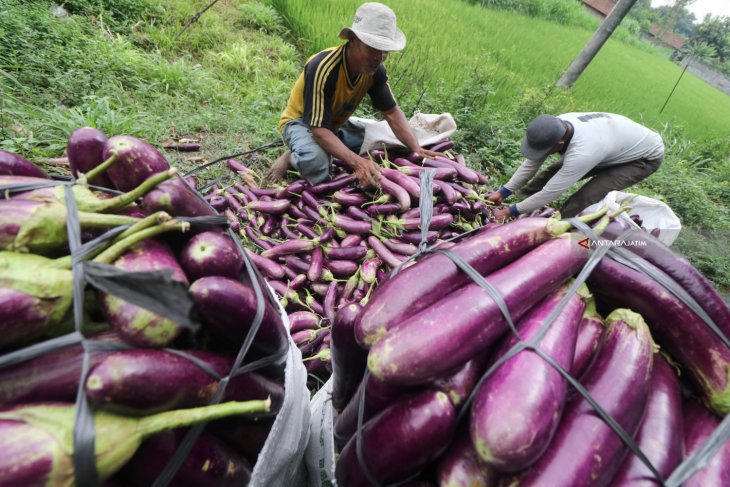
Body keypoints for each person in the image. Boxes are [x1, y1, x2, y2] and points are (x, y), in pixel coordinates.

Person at [266, 2, 441, 188]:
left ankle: (327, 147)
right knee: (317, 165)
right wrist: (358, 162)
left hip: (332, 125)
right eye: (373, 48)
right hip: (302, 123)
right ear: (353, 40)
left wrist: (416, 148)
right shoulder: (323, 67)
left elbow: (391, 112)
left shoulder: (375, 72)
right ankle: (293, 157)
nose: (379, 57)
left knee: (387, 142)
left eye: (385, 51)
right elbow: (318, 129)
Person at [488, 112, 665, 220]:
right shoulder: (555, 125)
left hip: (641, 158)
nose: (539, 154)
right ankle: (522, 201)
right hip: (610, 145)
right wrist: (503, 192)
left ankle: (558, 225)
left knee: (586, 196)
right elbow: (531, 165)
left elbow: (551, 192)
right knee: (549, 173)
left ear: (559, 143)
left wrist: (509, 212)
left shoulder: (583, 153)